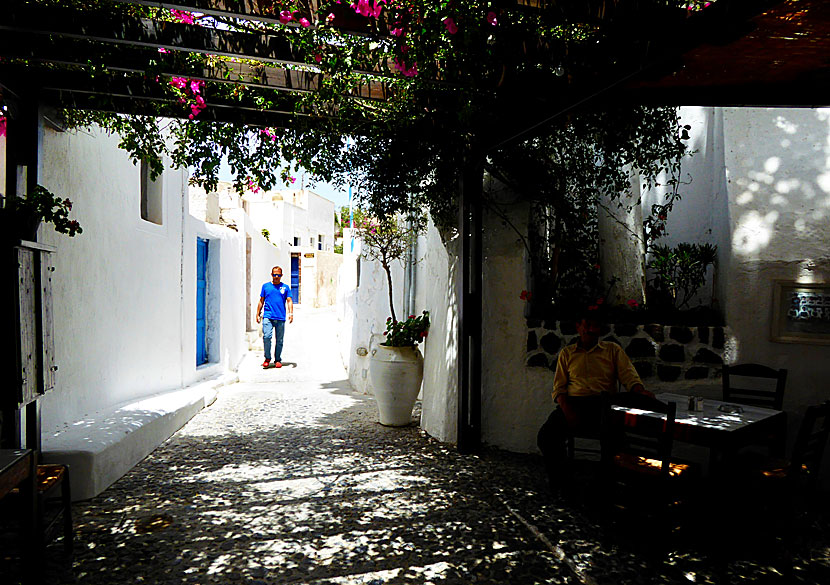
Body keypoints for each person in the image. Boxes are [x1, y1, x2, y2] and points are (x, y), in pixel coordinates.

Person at [537, 309, 652, 484]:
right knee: (546, 436)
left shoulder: (612, 350)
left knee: (617, 440)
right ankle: (560, 478)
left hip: (603, 406)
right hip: (573, 404)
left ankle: (607, 481)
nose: (590, 330)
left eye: (595, 326)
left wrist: (639, 391)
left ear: (600, 329)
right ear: (578, 327)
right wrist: (568, 411)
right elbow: (559, 389)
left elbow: (629, 377)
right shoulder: (567, 354)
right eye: (587, 325)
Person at [256, 266, 293, 368]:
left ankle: (277, 359)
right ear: (271, 275)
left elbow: (289, 300)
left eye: (278, 275)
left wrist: (291, 313)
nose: (276, 277)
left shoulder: (285, 287)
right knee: (267, 337)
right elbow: (261, 301)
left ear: (281, 275)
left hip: (280, 317)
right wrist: (258, 313)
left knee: (279, 340)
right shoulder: (266, 286)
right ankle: (267, 358)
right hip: (268, 316)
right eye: (274, 274)